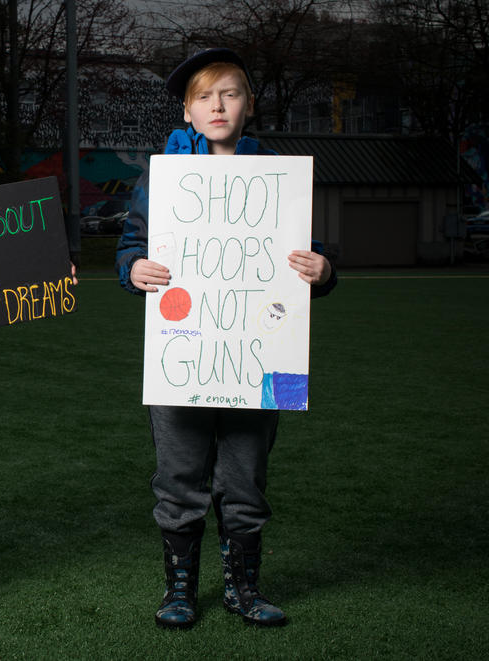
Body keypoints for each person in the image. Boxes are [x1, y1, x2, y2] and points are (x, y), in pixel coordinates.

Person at [115, 48, 337, 629]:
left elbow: (310, 258)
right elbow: (131, 245)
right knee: (179, 478)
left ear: (249, 105)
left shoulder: (282, 176)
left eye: (230, 93)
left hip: (262, 357)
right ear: (187, 111)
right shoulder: (162, 172)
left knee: (245, 479)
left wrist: (324, 272)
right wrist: (132, 268)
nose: (218, 105)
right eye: (204, 97)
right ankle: (179, 590)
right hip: (181, 355)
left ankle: (244, 588)